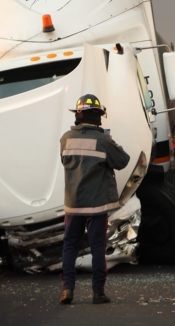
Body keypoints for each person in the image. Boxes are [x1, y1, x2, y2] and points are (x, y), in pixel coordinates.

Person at [59, 94, 130, 305]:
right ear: (98, 115)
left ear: (78, 116)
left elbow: (65, 162)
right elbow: (123, 161)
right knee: (97, 247)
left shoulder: (65, 138)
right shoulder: (103, 140)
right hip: (97, 204)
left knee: (69, 246)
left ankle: (68, 291)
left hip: (73, 204)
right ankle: (98, 293)